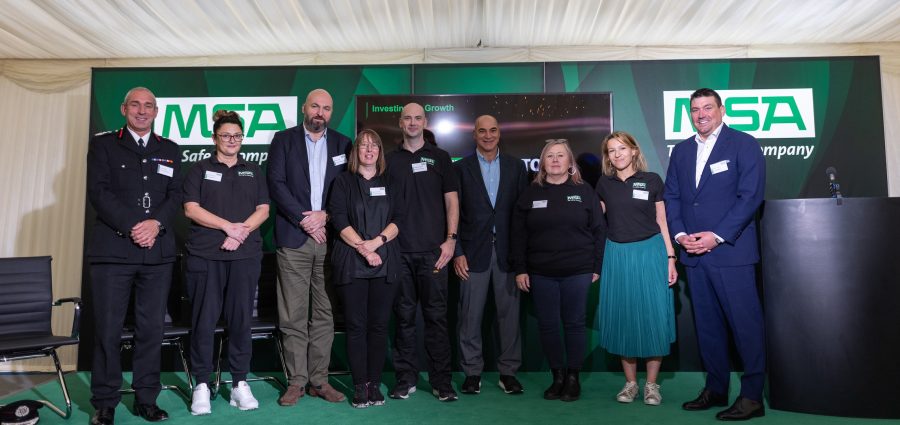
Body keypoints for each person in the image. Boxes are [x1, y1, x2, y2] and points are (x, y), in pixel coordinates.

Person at [664, 88, 766, 420]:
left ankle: (752, 397)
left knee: (745, 326)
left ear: (722, 110)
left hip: (731, 253)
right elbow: (674, 197)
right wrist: (680, 235)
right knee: (708, 328)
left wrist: (716, 236)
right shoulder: (680, 151)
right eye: (695, 109)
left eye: (708, 107)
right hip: (693, 253)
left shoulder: (744, 144)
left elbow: (750, 197)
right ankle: (717, 388)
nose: (702, 114)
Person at [86, 87, 181, 425]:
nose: (142, 111)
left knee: (150, 330)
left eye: (149, 106)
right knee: (108, 330)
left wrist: (155, 224)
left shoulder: (169, 149)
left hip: (157, 254)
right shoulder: (104, 145)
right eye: (136, 105)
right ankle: (105, 402)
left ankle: (146, 399)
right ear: (124, 108)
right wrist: (133, 226)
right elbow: (99, 192)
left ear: (156, 112)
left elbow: (175, 195)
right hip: (113, 252)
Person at [267, 88, 352, 406]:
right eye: (315, 106)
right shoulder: (283, 140)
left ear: (332, 112)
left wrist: (326, 216)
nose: (320, 112)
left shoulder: (344, 144)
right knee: (293, 315)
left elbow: (348, 190)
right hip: (294, 238)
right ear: (305, 108)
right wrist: (305, 220)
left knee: (324, 315)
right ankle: (297, 381)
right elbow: (275, 183)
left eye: (326, 108)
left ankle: (320, 380)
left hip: (330, 240)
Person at [182, 110, 270, 415]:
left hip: (244, 256)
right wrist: (226, 227)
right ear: (214, 138)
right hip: (206, 256)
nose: (231, 140)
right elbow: (192, 209)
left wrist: (239, 233)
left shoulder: (254, 171)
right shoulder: (198, 170)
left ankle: (239, 384)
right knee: (204, 323)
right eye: (225, 135)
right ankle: (202, 385)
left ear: (242, 138)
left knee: (241, 322)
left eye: (236, 135)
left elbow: (263, 210)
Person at [510, 139, 606, 402]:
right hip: (541, 272)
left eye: (560, 156)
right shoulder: (531, 193)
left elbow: (599, 230)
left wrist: (596, 266)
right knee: (549, 326)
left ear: (569, 162)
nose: (554, 160)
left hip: (578, 270)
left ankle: (573, 378)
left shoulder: (585, 191)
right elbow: (518, 235)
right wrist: (521, 269)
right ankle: (558, 377)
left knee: (575, 324)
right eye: (550, 156)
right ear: (542, 163)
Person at [594, 131, 677, 406]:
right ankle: (630, 384)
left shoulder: (652, 180)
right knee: (624, 317)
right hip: (617, 255)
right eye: (611, 151)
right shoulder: (603, 185)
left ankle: (652, 385)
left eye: (621, 149)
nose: (617, 154)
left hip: (651, 254)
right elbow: (596, 223)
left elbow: (662, 222)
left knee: (653, 317)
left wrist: (670, 257)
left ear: (633, 151)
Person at [385, 103, 460, 402]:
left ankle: (442, 382)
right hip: (399, 253)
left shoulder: (441, 158)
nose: (413, 123)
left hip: (434, 254)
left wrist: (451, 239)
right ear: (400, 123)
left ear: (425, 122)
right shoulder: (388, 160)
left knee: (437, 320)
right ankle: (405, 379)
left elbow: (452, 201)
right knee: (402, 320)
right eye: (408, 118)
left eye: (418, 118)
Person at [453, 115, 528, 395]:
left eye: (493, 130)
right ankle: (472, 373)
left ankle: (508, 373)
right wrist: (457, 251)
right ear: (474, 135)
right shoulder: (460, 169)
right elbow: (453, 214)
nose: (487, 135)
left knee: (509, 317)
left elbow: (522, 217)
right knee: (470, 317)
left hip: (508, 254)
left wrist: (522, 259)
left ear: (500, 133)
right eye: (482, 131)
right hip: (472, 254)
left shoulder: (516, 167)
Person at [328, 129, 404, 408]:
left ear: (380, 152)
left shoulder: (392, 182)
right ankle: (359, 386)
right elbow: (338, 218)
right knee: (357, 327)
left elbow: (399, 218)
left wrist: (377, 243)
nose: (369, 150)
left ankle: (374, 384)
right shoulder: (343, 182)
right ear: (356, 151)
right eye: (363, 145)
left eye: (374, 146)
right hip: (351, 263)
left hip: (385, 263)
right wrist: (364, 247)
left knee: (379, 327)